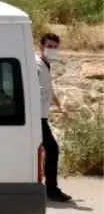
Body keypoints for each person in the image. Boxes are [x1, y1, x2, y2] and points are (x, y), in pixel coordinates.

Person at [37, 33, 73, 203]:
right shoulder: (36, 65)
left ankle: (46, 187)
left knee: (47, 150)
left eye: (55, 47)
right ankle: (51, 189)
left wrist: (60, 107)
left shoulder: (45, 65)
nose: (52, 49)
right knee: (52, 149)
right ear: (41, 46)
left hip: (40, 117)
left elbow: (49, 91)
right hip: (35, 118)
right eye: (49, 46)